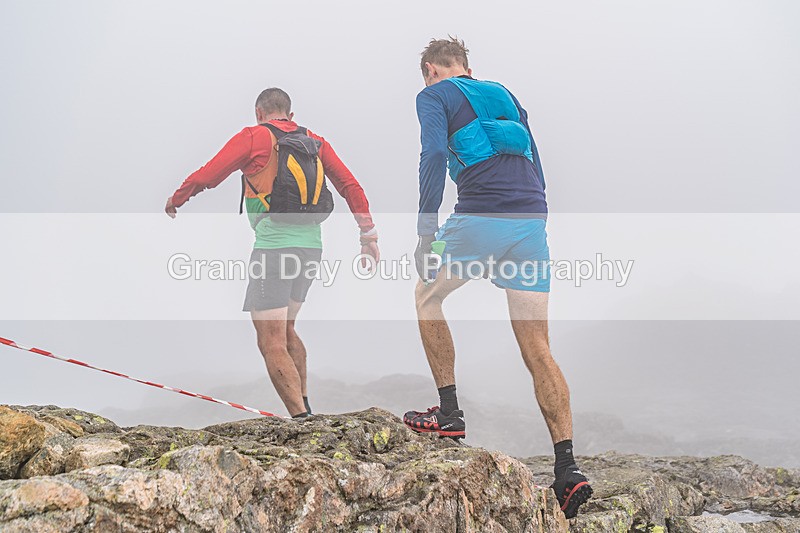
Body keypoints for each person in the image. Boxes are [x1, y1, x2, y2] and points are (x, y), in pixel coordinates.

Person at [403, 37, 592, 518]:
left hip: (476, 220)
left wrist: (427, 231)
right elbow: (538, 165)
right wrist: (533, 216)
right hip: (530, 224)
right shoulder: (505, 93)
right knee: (538, 348)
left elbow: (430, 159)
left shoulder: (433, 95)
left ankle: (448, 416)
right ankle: (567, 470)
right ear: (467, 67)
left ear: (430, 69)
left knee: (426, 294)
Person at [165, 88, 379, 418]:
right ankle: (305, 406)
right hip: (311, 249)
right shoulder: (316, 141)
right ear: (290, 116)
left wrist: (178, 198)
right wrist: (368, 234)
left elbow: (210, 174)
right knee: (288, 329)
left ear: (258, 112)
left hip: (274, 250)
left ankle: (301, 419)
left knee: (271, 340)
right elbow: (350, 185)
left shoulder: (255, 137)